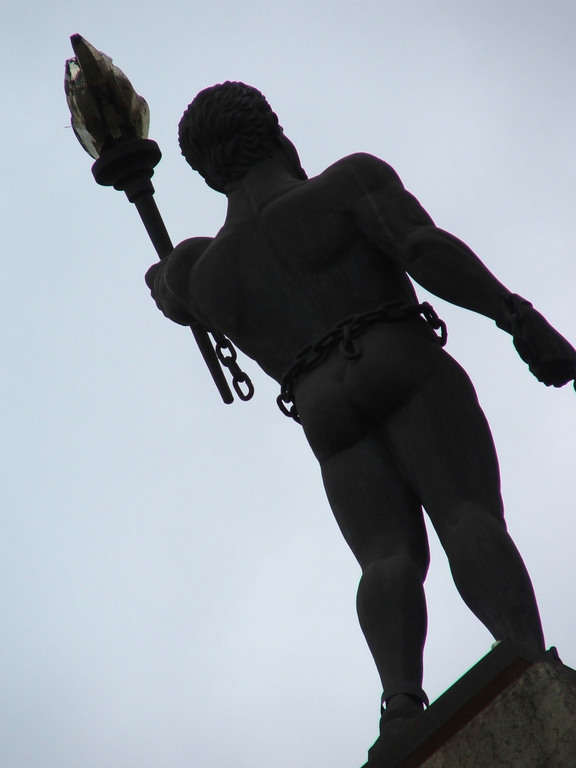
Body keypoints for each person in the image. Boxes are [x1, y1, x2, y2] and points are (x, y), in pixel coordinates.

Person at [145, 82, 576, 757]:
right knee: (465, 513)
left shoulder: (203, 274)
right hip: (398, 357)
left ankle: (400, 705)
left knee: (385, 557)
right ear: (275, 133)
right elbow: (422, 248)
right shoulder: (346, 183)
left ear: (207, 173)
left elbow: (170, 290)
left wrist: (167, 273)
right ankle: (527, 660)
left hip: (325, 408)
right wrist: (513, 314)